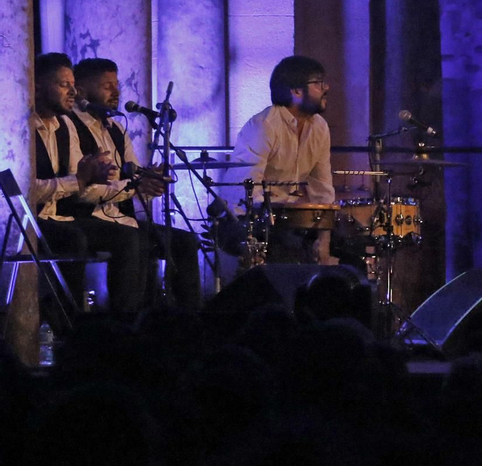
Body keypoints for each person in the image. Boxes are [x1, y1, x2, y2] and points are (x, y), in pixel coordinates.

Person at [71, 57, 204, 310]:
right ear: (82, 90)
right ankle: (127, 324)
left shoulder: (116, 128)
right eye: (107, 86)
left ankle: (191, 322)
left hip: (121, 218)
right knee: (133, 240)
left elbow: (134, 181)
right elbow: (81, 189)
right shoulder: (71, 126)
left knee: (186, 242)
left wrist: (150, 182)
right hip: (85, 217)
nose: (116, 92)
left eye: (116, 84)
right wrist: (134, 187)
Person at [27, 52, 144, 312]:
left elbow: (78, 180)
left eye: (72, 85)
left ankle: (126, 327)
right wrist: (80, 180)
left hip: (60, 218)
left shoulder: (66, 125)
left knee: (128, 237)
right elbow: (28, 190)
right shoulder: (21, 128)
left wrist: (93, 177)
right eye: (63, 85)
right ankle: (69, 322)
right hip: (31, 221)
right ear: (37, 86)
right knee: (75, 239)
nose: (72, 92)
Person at [230, 55, 336, 263]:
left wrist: (324, 239)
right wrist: (289, 218)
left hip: (284, 218)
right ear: (296, 91)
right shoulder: (265, 125)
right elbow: (246, 194)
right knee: (292, 248)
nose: (327, 87)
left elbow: (323, 191)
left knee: (351, 245)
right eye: (318, 83)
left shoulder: (320, 127)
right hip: (243, 219)